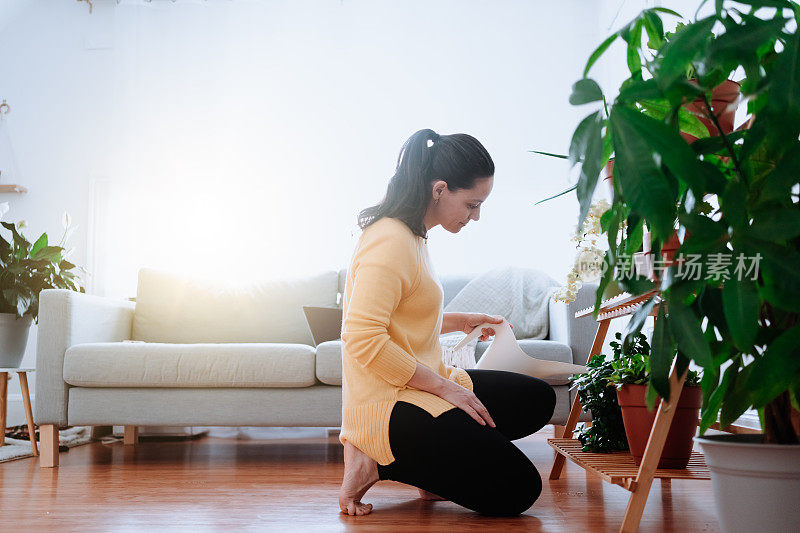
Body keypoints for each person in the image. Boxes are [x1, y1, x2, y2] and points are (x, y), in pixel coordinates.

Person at [338, 128, 556, 517]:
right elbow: (362, 338)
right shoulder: (389, 239)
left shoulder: (415, 235)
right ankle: (374, 455)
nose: (476, 216)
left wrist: (458, 320)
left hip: (421, 382)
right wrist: (445, 389)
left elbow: (402, 317)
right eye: (472, 204)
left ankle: (432, 466)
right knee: (519, 490)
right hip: (388, 401)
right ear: (439, 190)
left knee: (536, 399)